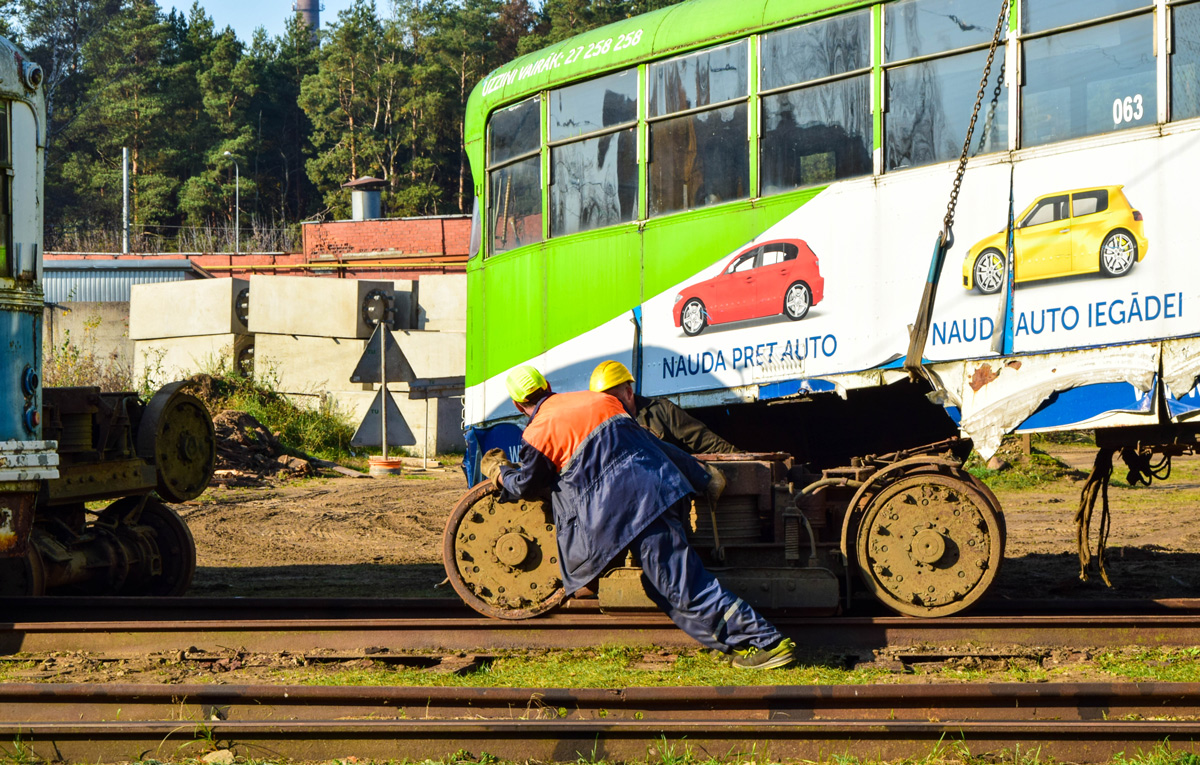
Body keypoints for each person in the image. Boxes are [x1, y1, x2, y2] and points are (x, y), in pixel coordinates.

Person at [480, 364, 794, 670]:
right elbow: (652, 442)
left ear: (519, 404)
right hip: (660, 491)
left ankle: (766, 642)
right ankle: (735, 645)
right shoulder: (600, 401)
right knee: (662, 587)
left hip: (631, 510)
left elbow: (527, 485)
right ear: (547, 386)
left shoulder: (538, 433)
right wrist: (699, 475)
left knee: (683, 585)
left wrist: (501, 473)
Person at [588, 360, 739, 454]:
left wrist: (741, 461)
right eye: (602, 400)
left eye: (613, 398)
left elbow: (707, 442)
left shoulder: (663, 412)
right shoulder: (597, 429)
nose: (607, 405)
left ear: (628, 392)